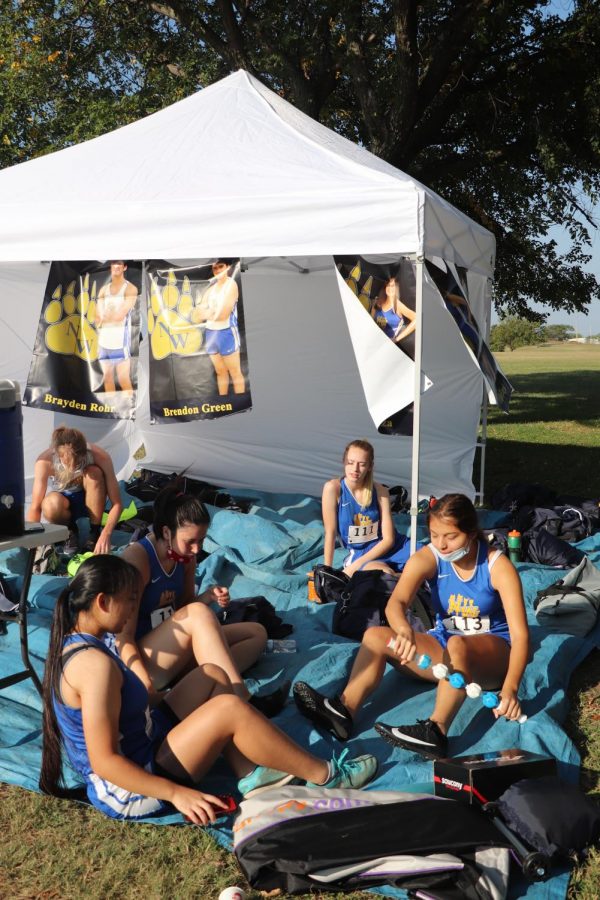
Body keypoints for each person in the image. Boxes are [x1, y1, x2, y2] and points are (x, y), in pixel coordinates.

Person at [40, 555, 378, 820]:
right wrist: (176, 794)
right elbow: (105, 762)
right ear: (102, 602)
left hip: (146, 740)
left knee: (213, 673)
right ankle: (326, 776)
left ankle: (251, 774)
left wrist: (172, 701)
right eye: (129, 600)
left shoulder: (83, 643)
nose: (133, 609)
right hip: (132, 788)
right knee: (228, 710)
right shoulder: (93, 666)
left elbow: (128, 707)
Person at [294, 494, 529, 757]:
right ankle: (343, 710)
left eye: (451, 537)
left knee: (457, 642)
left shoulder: (498, 567)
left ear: (471, 532)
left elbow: (520, 636)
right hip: (445, 648)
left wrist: (510, 688)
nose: (442, 545)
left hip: (492, 656)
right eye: (435, 534)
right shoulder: (428, 557)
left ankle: (436, 730)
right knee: (375, 635)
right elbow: (396, 604)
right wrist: (404, 630)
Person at [117, 482, 287, 717]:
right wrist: (145, 687)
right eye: (191, 541)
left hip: (174, 652)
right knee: (199, 614)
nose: (197, 549)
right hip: (142, 662)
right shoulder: (139, 559)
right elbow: (122, 637)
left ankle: (197, 686)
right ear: (166, 532)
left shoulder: (184, 557)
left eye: (202, 541)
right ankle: (243, 699)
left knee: (256, 633)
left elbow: (184, 608)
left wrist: (207, 597)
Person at [27, 425, 122, 557]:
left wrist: (106, 534)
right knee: (50, 504)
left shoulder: (100, 456)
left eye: (78, 463)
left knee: (94, 473)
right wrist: (32, 543)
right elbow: (35, 506)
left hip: (90, 499)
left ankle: (94, 532)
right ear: (58, 455)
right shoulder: (44, 461)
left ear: (84, 452)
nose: (74, 468)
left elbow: (117, 503)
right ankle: (69, 531)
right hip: (63, 504)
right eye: (69, 464)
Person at [322, 439, 411, 578]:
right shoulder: (333, 489)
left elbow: (388, 540)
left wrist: (355, 567)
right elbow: (330, 532)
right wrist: (326, 571)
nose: (355, 469)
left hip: (394, 547)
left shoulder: (381, 491)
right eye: (350, 463)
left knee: (432, 560)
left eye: (362, 464)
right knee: (384, 576)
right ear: (343, 461)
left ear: (370, 466)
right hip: (361, 554)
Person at [192, 259, 245, 396]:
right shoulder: (211, 289)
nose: (217, 271)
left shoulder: (231, 285)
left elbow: (223, 316)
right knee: (220, 371)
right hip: (211, 333)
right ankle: (223, 401)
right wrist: (211, 313)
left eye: (220, 266)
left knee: (235, 372)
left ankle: (240, 401)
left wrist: (207, 313)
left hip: (226, 332)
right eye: (214, 268)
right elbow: (197, 316)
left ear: (228, 267)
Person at [95, 260, 138, 392]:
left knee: (123, 380)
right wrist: (108, 317)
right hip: (103, 343)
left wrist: (107, 316)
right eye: (114, 263)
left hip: (120, 344)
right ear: (110, 267)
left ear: (125, 267)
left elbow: (120, 316)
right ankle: (111, 411)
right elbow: (97, 318)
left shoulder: (130, 288)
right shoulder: (103, 290)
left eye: (119, 263)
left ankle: (129, 411)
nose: (116, 266)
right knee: (107, 379)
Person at [371, 277, 416, 345]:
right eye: (388, 285)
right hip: (374, 342)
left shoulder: (398, 306)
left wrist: (396, 339)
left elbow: (416, 319)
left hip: (389, 347)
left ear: (396, 288)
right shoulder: (377, 303)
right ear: (385, 287)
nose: (390, 288)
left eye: (392, 286)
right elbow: (371, 324)